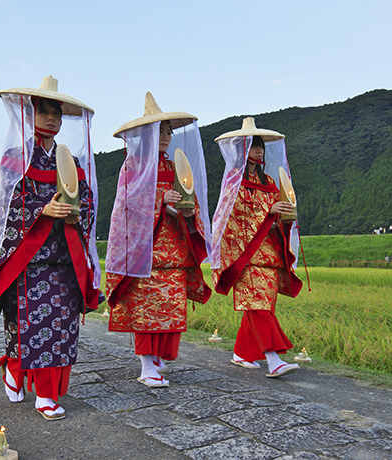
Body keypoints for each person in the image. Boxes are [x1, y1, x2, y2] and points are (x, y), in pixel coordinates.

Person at [0, 76, 101, 420]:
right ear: (30, 116)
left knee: (62, 329)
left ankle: (47, 394)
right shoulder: (15, 157)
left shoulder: (71, 163)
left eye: (56, 115)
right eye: (44, 113)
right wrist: (41, 211)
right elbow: (3, 208)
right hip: (27, 262)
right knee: (26, 328)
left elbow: (86, 201)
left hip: (63, 261)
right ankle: (15, 371)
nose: (51, 120)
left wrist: (77, 214)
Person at [105, 92, 212, 388]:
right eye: (159, 131)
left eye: (168, 132)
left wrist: (186, 210)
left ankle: (158, 358)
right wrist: (160, 200)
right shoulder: (133, 166)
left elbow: (189, 201)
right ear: (146, 134)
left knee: (171, 310)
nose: (165, 137)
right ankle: (146, 365)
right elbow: (125, 205)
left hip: (174, 251)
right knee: (146, 311)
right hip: (146, 253)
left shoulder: (175, 166)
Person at [211, 118, 302, 378]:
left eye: (260, 145)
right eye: (253, 145)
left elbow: (276, 213)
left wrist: (283, 215)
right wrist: (267, 210)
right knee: (258, 307)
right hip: (245, 256)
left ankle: (241, 353)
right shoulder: (233, 181)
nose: (258, 150)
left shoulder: (270, 181)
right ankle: (274, 360)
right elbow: (231, 216)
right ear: (241, 149)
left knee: (261, 307)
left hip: (269, 255)